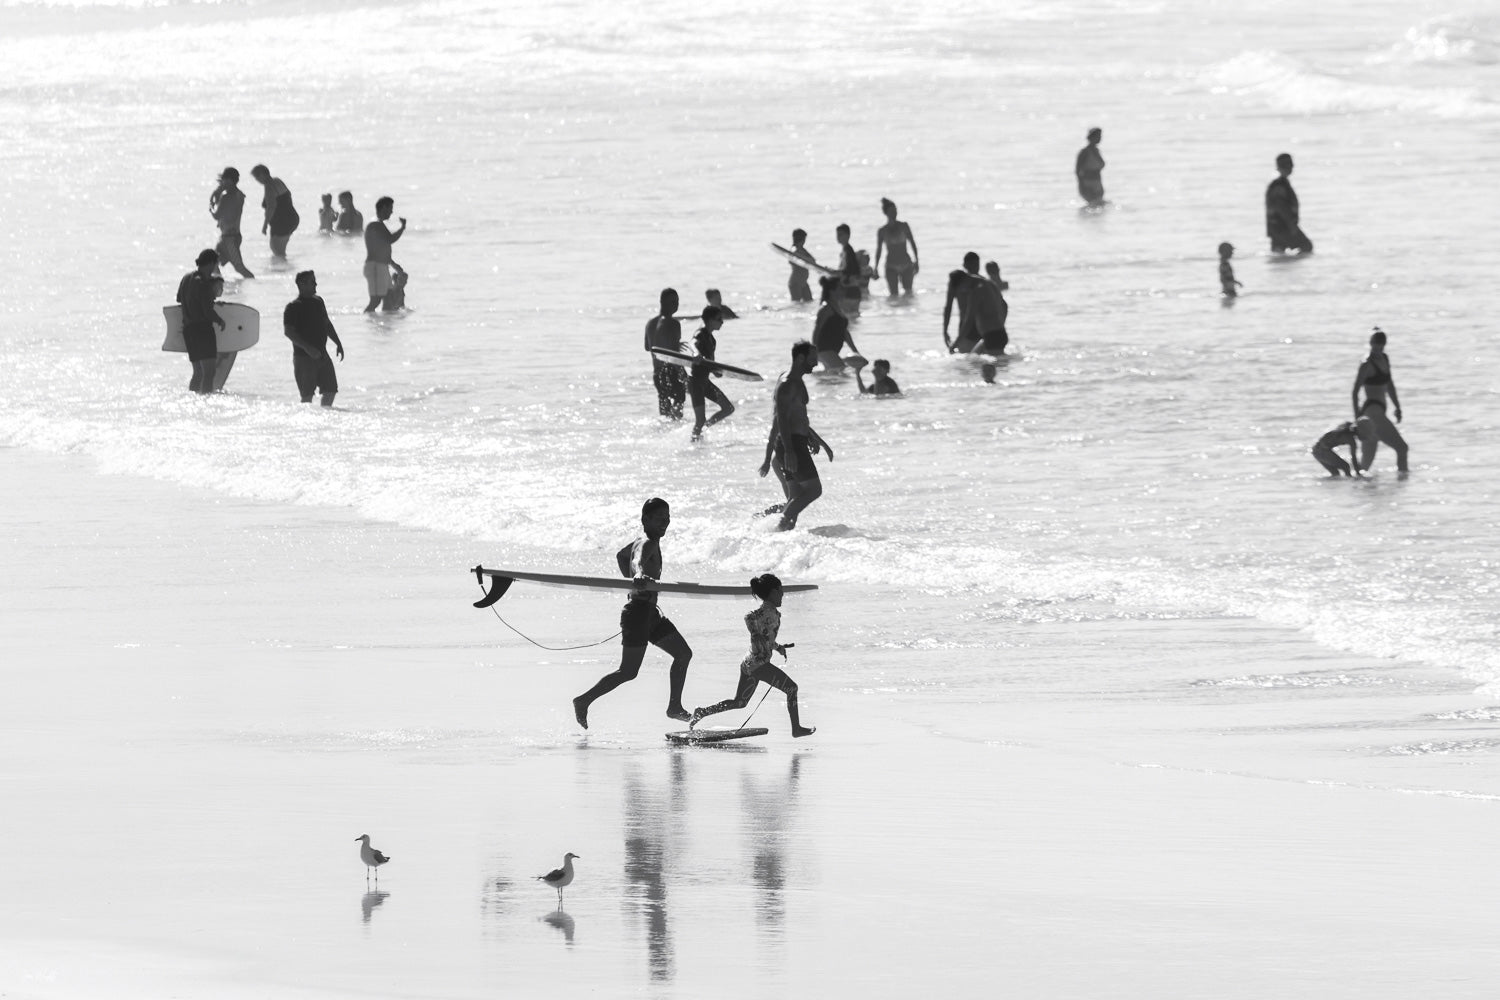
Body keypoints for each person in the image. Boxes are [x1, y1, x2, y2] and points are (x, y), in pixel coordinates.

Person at [573, 498, 693, 729]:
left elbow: (621, 555)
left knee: (683, 654)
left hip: (650, 614)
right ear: (645, 519)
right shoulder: (647, 542)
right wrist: (636, 576)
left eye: (667, 519)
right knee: (628, 671)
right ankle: (583, 700)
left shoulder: (643, 541)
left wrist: (631, 581)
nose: (664, 523)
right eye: (659, 519)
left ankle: (674, 707)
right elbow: (637, 560)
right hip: (637, 614)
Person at [690, 574, 814, 738]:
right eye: (780, 590)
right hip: (758, 665)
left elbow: (768, 637)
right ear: (773, 592)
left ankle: (702, 712)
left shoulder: (774, 614)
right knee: (792, 688)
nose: (783, 594)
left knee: (739, 702)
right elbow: (749, 617)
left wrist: (778, 647)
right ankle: (796, 729)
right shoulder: (766, 613)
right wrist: (756, 634)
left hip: (749, 662)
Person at [762, 340, 833, 531]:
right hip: (791, 443)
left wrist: (815, 439)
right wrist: (790, 451)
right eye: (813, 359)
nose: (816, 363)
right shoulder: (787, 384)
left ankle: (779, 536)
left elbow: (798, 417)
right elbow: (782, 420)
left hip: (795, 441)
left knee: (796, 496)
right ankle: (777, 526)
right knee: (814, 490)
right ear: (801, 358)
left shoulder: (796, 381)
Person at [283, 270, 345, 406]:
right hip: (303, 358)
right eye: (312, 282)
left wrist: (338, 343)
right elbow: (288, 332)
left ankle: (324, 419)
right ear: (302, 285)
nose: (316, 284)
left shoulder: (318, 302)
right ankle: (307, 424)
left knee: (330, 390)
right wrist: (308, 348)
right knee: (307, 398)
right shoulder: (293, 307)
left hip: (322, 354)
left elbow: (327, 324)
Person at [1351, 327, 1408, 472]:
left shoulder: (1385, 358)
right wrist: (1357, 418)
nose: (1378, 347)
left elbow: (1389, 385)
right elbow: (1355, 391)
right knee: (1402, 448)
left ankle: (1355, 489)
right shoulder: (1366, 364)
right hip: (1372, 412)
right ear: (1370, 343)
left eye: (1381, 344)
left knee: (1365, 467)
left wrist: (1397, 407)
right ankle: (1403, 485)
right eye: (1375, 344)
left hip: (1378, 412)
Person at [175, 249, 225, 394]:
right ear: (211, 264)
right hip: (202, 330)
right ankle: (205, 401)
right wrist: (220, 320)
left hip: (188, 329)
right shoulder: (203, 283)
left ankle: (193, 399)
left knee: (198, 373)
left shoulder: (186, 278)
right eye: (216, 264)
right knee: (209, 372)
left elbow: (179, 299)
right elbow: (207, 311)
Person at [688, 306, 735, 440]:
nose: (722, 322)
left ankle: (702, 430)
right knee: (700, 419)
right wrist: (696, 353)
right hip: (696, 383)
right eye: (719, 319)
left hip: (705, 382)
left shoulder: (712, 340)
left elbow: (710, 364)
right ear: (709, 320)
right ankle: (694, 443)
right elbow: (692, 343)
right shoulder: (700, 333)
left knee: (728, 408)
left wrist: (717, 372)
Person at [645, 288, 686, 419]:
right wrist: (682, 372)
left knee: (664, 412)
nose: (677, 304)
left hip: (657, 373)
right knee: (679, 402)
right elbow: (674, 353)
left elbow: (647, 347)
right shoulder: (673, 323)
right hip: (670, 371)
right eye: (674, 301)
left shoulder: (650, 323)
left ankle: (664, 435)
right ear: (664, 303)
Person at [208, 167, 255, 279]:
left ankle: (255, 284)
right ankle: (220, 286)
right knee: (212, 264)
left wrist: (211, 205)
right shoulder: (239, 194)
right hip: (230, 237)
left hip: (229, 238)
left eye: (223, 180)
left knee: (239, 268)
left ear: (229, 180)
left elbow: (216, 215)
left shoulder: (226, 196)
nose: (222, 183)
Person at [363, 197, 407, 313]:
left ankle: (386, 328)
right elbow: (390, 239)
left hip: (381, 266)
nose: (392, 212)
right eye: (390, 208)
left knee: (388, 299)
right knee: (375, 301)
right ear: (383, 208)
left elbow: (381, 249)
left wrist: (394, 265)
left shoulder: (379, 224)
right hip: (375, 266)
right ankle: (366, 324)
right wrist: (402, 228)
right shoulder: (375, 224)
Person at [1266, 153, 1313, 254]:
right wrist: (1292, 226)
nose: (1291, 166)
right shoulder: (1280, 186)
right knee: (1306, 246)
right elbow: (1280, 206)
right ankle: (1296, 268)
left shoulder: (1281, 184)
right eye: (1288, 164)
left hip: (1276, 227)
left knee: (1278, 253)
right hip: (1283, 227)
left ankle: (1283, 269)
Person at [811, 277, 861, 372]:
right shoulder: (826, 308)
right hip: (823, 350)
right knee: (841, 371)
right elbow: (817, 329)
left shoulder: (838, 307)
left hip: (832, 350)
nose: (844, 290)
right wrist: (813, 352)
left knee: (834, 375)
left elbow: (844, 332)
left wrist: (855, 351)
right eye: (840, 288)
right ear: (832, 291)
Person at [873, 198, 919, 299]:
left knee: (909, 294)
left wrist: (917, 261)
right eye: (892, 211)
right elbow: (879, 251)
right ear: (886, 213)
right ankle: (894, 313)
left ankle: (908, 313)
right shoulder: (882, 231)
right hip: (891, 265)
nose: (894, 213)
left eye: (895, 210)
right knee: (893, 296)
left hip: (906, 264)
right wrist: (875, 268)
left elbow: (913, 243)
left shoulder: (904, 226)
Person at [250, 164, 299, 258]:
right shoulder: (277, 180)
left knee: (277, 250)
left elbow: (271, 207)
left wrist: (265, 225)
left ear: (263, 174)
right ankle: (285, 270)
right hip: (292, 219)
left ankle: (282, 271)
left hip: (282, 222)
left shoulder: (269, 187)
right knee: (280, 251)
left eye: (257, 177)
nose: (257, 180)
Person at [1076, 127, 1106, 206]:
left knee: (1098, 206)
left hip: (1097, 182)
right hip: (1088, 183)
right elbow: (1078, 169)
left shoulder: (1096, 150)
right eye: (1098, 136)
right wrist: (1081, 184)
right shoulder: (1084, 152)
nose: (1100, 138)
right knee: (1094, 204)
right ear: (1092, 137)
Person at [786, 229, 815, 303]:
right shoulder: (794, 250)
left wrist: (805, 259)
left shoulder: (802, 249)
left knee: (809, 302)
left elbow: (813, 260)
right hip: (796, 283)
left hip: (803, 282)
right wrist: (805, 259)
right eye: (804, 239)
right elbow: (791, 260)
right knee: (796, 304)